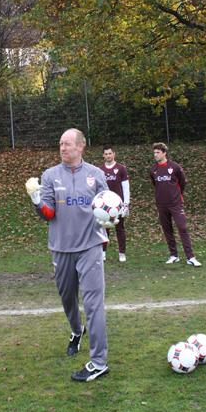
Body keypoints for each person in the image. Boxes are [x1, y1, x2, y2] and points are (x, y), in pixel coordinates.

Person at [25, 128, 110, 382]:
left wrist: (116, 215)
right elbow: (49, 215)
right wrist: (38, 201)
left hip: (90, 247)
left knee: (94, 304)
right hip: (61, 248)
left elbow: (107, 207)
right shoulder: (50, 175)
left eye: (67, 144)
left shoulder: (96, 174)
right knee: (68, 299)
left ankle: (99, 362)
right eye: (60, 144)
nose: (62, 148)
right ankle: (77, 330)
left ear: (80, 147)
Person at [149, 142, 201, 267]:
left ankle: (190, 257)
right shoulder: (153, 170)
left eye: (158, 152)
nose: (155, 155)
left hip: (176, 204)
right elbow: (155, 185)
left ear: (164, 153)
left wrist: (176, 196)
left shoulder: (175, 167)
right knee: (167, 230)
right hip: (161, 204)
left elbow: (182, 183)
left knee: (182, 228)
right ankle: (174, 255)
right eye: (154, 153)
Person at [99, 145, 130, 262]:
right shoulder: (100, 170)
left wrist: (126, 203)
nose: (108, 156)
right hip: (104, 206)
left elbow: (125, 186)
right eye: (106, 154)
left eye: (110, 153)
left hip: (118, 205)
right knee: (104, 229)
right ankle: (103, 252)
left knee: (120, 228)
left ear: (114, 154)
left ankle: (122, 253)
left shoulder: (121, 169)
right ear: (103, 155)